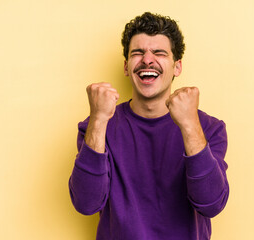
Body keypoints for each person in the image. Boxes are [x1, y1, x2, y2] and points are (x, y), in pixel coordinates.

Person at [69, 12, 229, 240]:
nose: (147, 59)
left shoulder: (209, 128)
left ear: (177, 67)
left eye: (159, 53)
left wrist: (190, 124)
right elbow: (86, 203)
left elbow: (211, 204)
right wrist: (99, 119)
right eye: (138, 53)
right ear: (126, 67)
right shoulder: (96, 125)